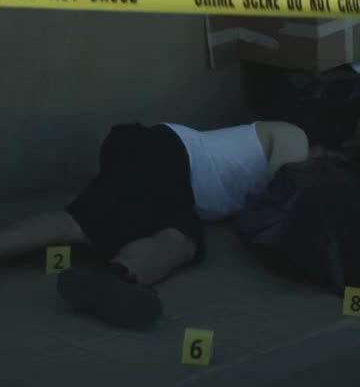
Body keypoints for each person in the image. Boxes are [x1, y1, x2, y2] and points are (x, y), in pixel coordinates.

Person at [0, 119, 309, 329]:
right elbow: (287, 195)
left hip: (159, 164)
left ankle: (113, 277)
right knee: (180, 238)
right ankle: (114, 277)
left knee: (92, 224)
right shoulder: (296, 136)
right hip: (168, 152)